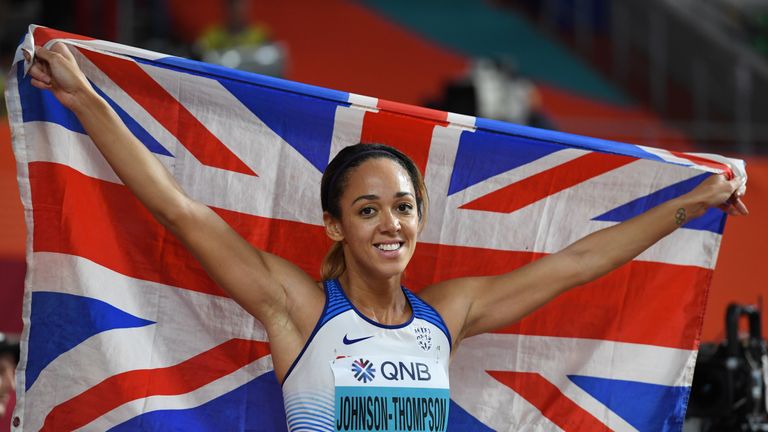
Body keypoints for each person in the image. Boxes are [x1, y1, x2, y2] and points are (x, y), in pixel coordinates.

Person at [26, 42, 748, 431]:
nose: (389, 223)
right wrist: (85, 97)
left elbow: (580, 262)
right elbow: (183, 213)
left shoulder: (447, 316)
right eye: (367, 209)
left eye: (402, 206)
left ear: (421, 216)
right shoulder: (299, 309)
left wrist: (692, 202)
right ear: (334, 224)